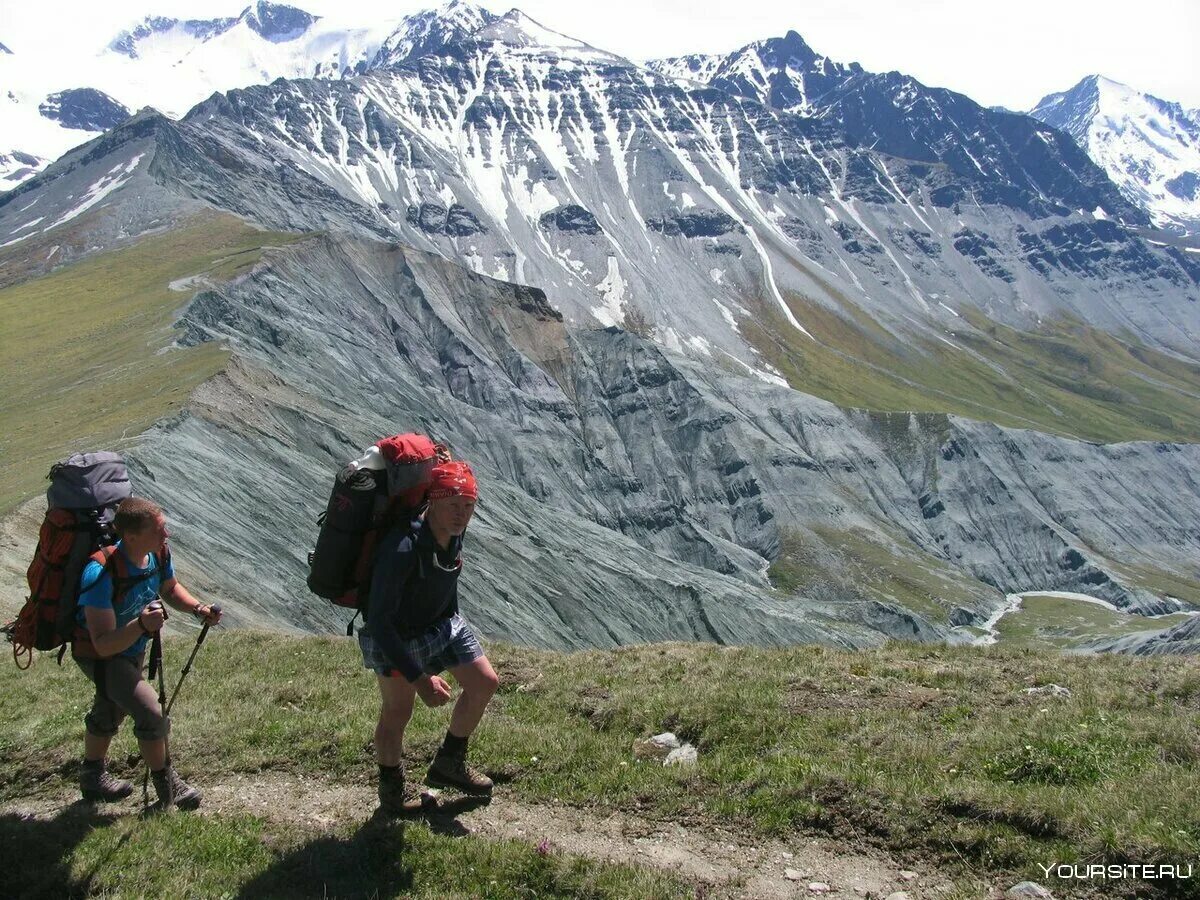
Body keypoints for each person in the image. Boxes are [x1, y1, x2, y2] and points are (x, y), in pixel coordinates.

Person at [358, 459, 500, 816]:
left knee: (484, 682)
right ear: (432, 501)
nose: (461, 514)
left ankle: (449, 764)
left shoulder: (453, 533)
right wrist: (419, 678)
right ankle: (392, 790)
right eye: (453, 504)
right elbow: (379, 623)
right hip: (397, 637)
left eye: (468, 505)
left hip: (443, 623)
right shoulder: (402, 549)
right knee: (397, 711)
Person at [73, 497, 222, 809]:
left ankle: (91, 775)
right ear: (131, 536)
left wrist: (197, 608)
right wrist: (141, 625)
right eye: (158, 530)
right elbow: (102, 642)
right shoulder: (100, 573)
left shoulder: (157, 553)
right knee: (150, 712)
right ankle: (167, 784)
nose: (166, 535)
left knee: (112, 705)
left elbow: (168, 588)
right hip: (102, 655)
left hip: (131, 647)